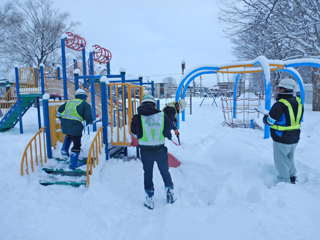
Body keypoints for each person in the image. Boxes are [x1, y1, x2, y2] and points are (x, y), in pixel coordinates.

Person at [131, 95, 175, 210]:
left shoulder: (137, 117)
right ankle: (170, 194)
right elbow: (169, 126)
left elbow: (134, 132)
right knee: (165, 172)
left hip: (145, 151)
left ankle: (149, 200)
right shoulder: (161, 115)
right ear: (154, 104)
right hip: (160, 150)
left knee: (148, 174)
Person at [263, 78, 304, 184]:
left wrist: (265, 118)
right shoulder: (298, 102)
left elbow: (270, 121)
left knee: (281, 159)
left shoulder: (280, 104)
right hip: (294, 137)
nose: (277, 90)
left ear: (283, 89)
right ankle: (292, 176)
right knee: (290, 157)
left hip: (281, 137)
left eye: (279, 88)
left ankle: (284, 181)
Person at [57, 88, 93, 170]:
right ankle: (73, 164)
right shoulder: (85, 104)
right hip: (75, 124)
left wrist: (61, 117)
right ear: (84, 97)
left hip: (64, 122)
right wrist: (90, 121)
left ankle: (64, 149)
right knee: (77, 144)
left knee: (69, 135)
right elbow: (88, 116)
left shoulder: (69, 102)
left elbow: (59, 111)